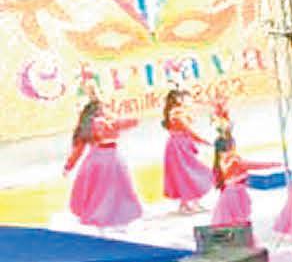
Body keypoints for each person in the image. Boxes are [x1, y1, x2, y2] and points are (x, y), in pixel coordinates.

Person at [65, 96, 144, 228]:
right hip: (110, 159)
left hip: (97, 160)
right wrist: (112, 117)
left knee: (99, 191)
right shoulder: (106, 123)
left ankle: (101, 214)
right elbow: (134, 121)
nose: (108, 110)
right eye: (105, 108)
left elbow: (77, 151)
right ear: (100, 111)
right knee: (111, 190)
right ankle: (107, 215)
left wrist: (68, 166)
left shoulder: (90, 126)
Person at [160, 88, 213, 212]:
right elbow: (189, 130)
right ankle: (192, 203)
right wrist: (204, 141)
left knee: (184, 173)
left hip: (179, 144)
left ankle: (185, 203)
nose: (190, 100)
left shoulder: (177, 112)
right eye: (186, 98)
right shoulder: (177, 113)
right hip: (179, 146)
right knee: (189, 173)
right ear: (179, 100)